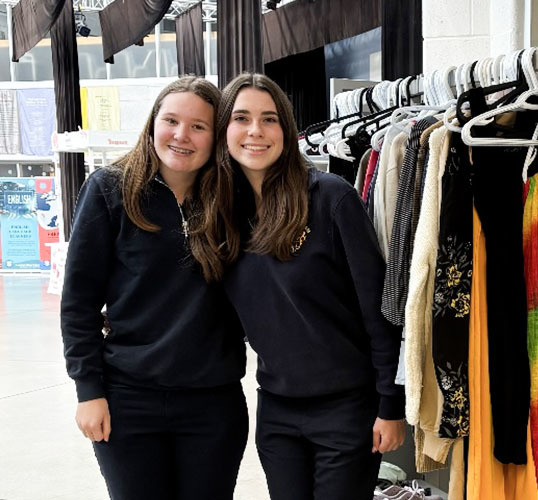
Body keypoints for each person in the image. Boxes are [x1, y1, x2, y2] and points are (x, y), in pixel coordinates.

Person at [210, 73, 405, 499]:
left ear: (288, 130)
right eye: (241, 118)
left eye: (270, 119)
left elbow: (379, 310)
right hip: (277, 411)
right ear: (225, 129)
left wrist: (391, 404)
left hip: (347, 411)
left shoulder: (330, 198)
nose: (256, 131)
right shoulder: (224, 215)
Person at [60, 76, 249, 499]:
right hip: (129, 400)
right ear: (152, 124)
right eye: (171, 121)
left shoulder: (234, 197)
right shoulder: (110, 189)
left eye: (199, 126)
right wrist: (88, 390)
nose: (182, 135)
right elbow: (79, 302)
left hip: (213, 402)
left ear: (216, 136)